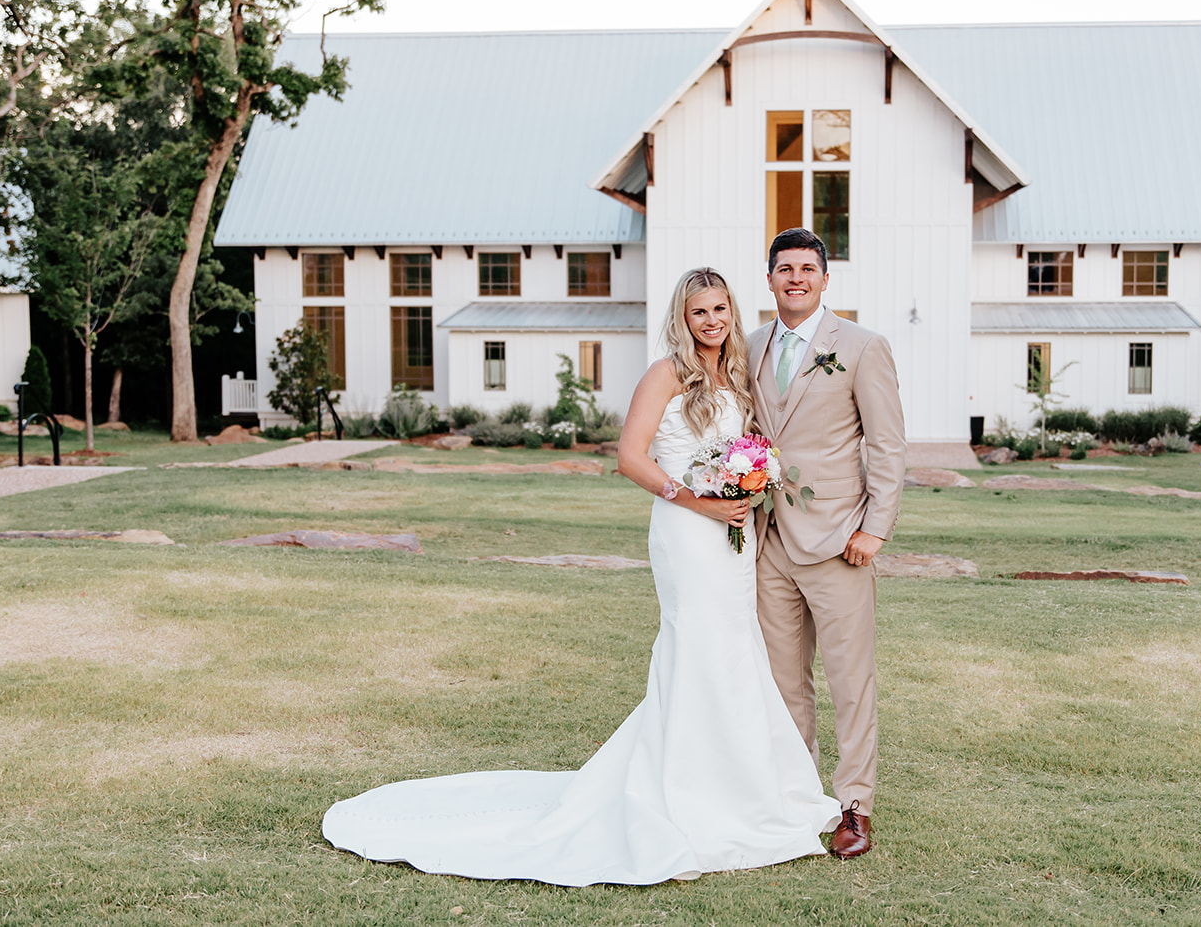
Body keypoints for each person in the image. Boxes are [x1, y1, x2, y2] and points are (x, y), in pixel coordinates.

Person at [321, 267, 839, 886]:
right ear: (683, 317)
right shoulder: (666, 374)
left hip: (733, 535)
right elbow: (629, 457)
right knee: (697, 647)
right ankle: (685, 793)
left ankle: (742, 788)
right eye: (699, 311)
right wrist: (701, 502)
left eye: (721, 309)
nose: (712, 321)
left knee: (734, 649)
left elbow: (747, 448)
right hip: (686, 531)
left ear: (732, 310)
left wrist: (750, 485)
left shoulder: (738, 373)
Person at [749, 227, 907, 860]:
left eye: (807, 268)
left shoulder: (863, 348)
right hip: (767, 540)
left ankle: (855, 805)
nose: (795, 278)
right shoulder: (749, 345)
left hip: (841, 541)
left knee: (849, 680)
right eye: (784, 269)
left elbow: (888, 445)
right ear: (769, 280)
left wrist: (875, 526)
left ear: (824, 278)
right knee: (784, 681)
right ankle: (797, 795)